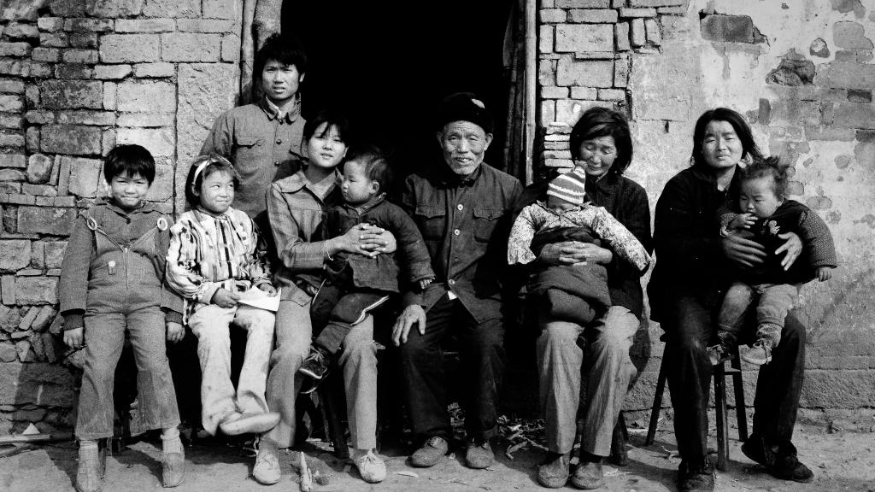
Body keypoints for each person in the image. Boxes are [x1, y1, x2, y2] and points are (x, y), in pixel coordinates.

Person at [649, 107, 813, 492]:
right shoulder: (681, 187)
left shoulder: (754, 182)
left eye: (729, 137)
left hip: (743, 294)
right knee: (689, 343)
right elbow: (668, 248)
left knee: (791, 333)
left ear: (743, 144)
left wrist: (798, 238)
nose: (720, 145)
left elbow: (791, 216)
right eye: (710, 138)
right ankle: (694, 459)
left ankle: (770, 444)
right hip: (689, 292)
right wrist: (719, 247)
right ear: (698, 146)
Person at [519, 107, 652, 489]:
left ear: (619, 154)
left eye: (606, 150)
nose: (596, 157)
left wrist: (603, 254)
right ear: (576, 145)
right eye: (589, 147)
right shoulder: (548, 189)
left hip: (616, 294)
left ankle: (594, 454)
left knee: (613, 344)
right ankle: (558, 450)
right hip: (565, 292)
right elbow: (519, 244)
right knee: (557, 337)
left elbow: (640, 257)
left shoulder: (630, 195)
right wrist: (546, 253)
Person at [263, 110, 397, 485]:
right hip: (299, 290)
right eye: (320, 137)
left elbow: (390, 225)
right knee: (290, 352)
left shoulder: (357, 187)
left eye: (337, 140)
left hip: (349, 295)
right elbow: (289, 253)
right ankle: (269, 446)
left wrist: (390, 240)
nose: (328, 145)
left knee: (361, 349)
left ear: (345, 151)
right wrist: (340, 242)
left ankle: (365, 449)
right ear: (305, 143)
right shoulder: (282, 191)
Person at [392, 92, 523, 470]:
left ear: (488, 142)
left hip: (482, 294)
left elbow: (516, 254)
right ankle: (433, 433)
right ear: (440, 139)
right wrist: (411, 302)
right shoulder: (417, 184)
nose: (462, 149)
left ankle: (480, 435)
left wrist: (509, 303)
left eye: (472, 138)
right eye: (453, 138)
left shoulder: (508, 187)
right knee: (412, 343)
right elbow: (404, 250)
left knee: (487, 343)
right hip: (430, 291)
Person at [59, 144, 185, 492]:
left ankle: (171, 442)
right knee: (97, 368)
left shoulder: (159, 221)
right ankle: (88, 449)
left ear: (149, 184)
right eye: (122, 181)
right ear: (109, 182)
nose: (131, 189)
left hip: (148, 306)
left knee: (155, 365)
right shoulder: (92, 218)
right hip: (103, 308)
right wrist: (73, 318)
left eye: (139, 182)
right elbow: (74, 269)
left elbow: (174, 271)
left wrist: (174, 313)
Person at [165, 155, 281, 440]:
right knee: (214, 333)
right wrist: (211, 292)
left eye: (229, 186)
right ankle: (220, 411)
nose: (225, 193)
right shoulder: (187, 225)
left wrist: (262, 281)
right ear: (196, 189)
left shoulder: (242, 221)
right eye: (215, 186)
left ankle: (252, 405)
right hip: (207, 302)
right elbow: (176, 270)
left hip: (244, 297)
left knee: (265, 321)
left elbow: (258, 257)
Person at [301, 145, 435, 382]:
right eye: (343, 178)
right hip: (340, 277)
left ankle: (321, 356)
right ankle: (323, 366)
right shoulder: (336, 212)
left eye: (351, 180)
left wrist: (421, 273)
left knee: (346, 310)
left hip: (375, 284)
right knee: (319, 305)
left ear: (373, 187)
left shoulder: (391, 213)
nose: (343, 184)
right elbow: (322, 243)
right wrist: (311, 277)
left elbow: (412, 241)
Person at [709, 157, 836, 366]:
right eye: (744, 198)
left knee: (771, 308)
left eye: (757, 200)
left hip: (782, 281)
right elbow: (722, 213)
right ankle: (724, 345)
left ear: (778, 199)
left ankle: (765, 346)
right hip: (747, 279)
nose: (749, 205)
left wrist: (823, 262)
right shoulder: (740, 212)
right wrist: (732, 221)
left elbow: (818, 232)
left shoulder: (795, 212)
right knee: (732, 303)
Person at [508, 170, 650, 329]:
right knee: (551, 290)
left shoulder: (591, 214)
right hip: (554, 265)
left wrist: (637, 256)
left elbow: (618, 234)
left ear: (577, 204)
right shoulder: (536, 212)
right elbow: (520, 232)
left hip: (586, 264)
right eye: (552, 206)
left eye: (563, 208)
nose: (557, 212)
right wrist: (521, 256)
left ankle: (586, 307)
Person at [200, 34, 307, 223]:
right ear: (260, 75)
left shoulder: (310, 132)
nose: (278, 78)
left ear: (301, 75)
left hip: (289, 232)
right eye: (271, 70)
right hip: (235, 229)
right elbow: (202, 172)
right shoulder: (234, 119)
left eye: (286, 70)